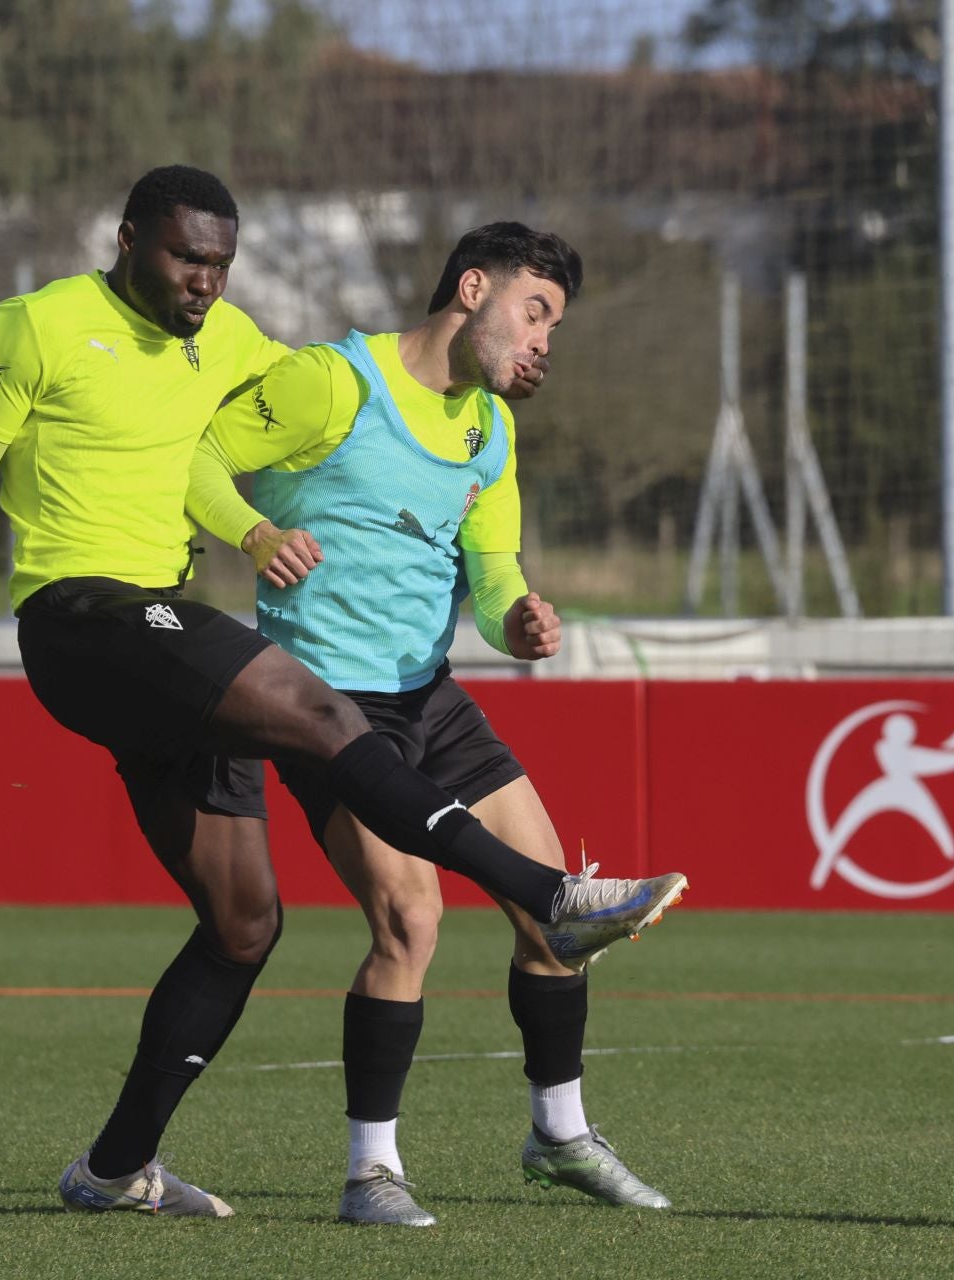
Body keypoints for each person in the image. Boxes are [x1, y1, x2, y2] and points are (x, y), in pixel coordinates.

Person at [0, 167, 682, 1218]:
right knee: (321, 720)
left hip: (180, 634)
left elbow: (339, 394)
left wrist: (505, 568)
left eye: (220, 262)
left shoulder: (245, 341)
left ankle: (113, 1168)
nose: (204, 280)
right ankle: (546, 900)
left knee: (244, 921)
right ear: (127, 240)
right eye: (185, 257)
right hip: (84, 615)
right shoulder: (32, 325)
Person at [188, 223, 684, 1225]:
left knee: (561, 924)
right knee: (410, 920)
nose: (546, 340)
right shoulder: (335, 382)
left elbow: (494, 577)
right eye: (535, 312)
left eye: (556, 325)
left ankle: (560, 1134)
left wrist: (520, 619)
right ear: (471, 288)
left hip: (431, 693)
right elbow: (197, 454)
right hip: (325, 705)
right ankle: (370, 1170)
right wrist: (255, 531)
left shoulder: (488, 428)